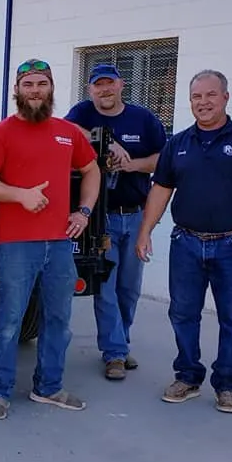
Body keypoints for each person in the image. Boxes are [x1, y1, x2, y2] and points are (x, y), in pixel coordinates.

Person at [136, 70, 232, 414]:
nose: (203, 102)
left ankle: (226, 383)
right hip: (186, 243)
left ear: (226, 97)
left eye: (210, 95)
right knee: (183, 313)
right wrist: (145, 231)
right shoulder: (177, 145)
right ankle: (187, 376)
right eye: (197, 97)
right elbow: (160, 192)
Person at [0, 59, 101, 420]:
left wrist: (84, 212)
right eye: (28, 84)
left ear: (51, 88)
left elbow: (91, 171)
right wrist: (20, 195)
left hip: (59, 244)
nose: (34, 91)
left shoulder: (68, 133)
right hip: (16, 245)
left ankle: (49, 387)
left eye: (41, 84)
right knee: (10, 321)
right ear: (17, 90)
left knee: (59, 319)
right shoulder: (1, 134)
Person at [66, 63, 167, 380]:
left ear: (122, 85)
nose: (104, 90)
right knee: (106, 286)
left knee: (129, 287)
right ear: (90, 89)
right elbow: (64, 129)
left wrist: (131, 163)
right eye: (98, 85)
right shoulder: (82, 113)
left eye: (110, 84)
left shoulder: (143, 118)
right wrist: (107, 142)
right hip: (100, 219)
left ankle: (120, 344)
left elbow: (163, 159)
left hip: (136, 215)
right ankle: (114, 353)